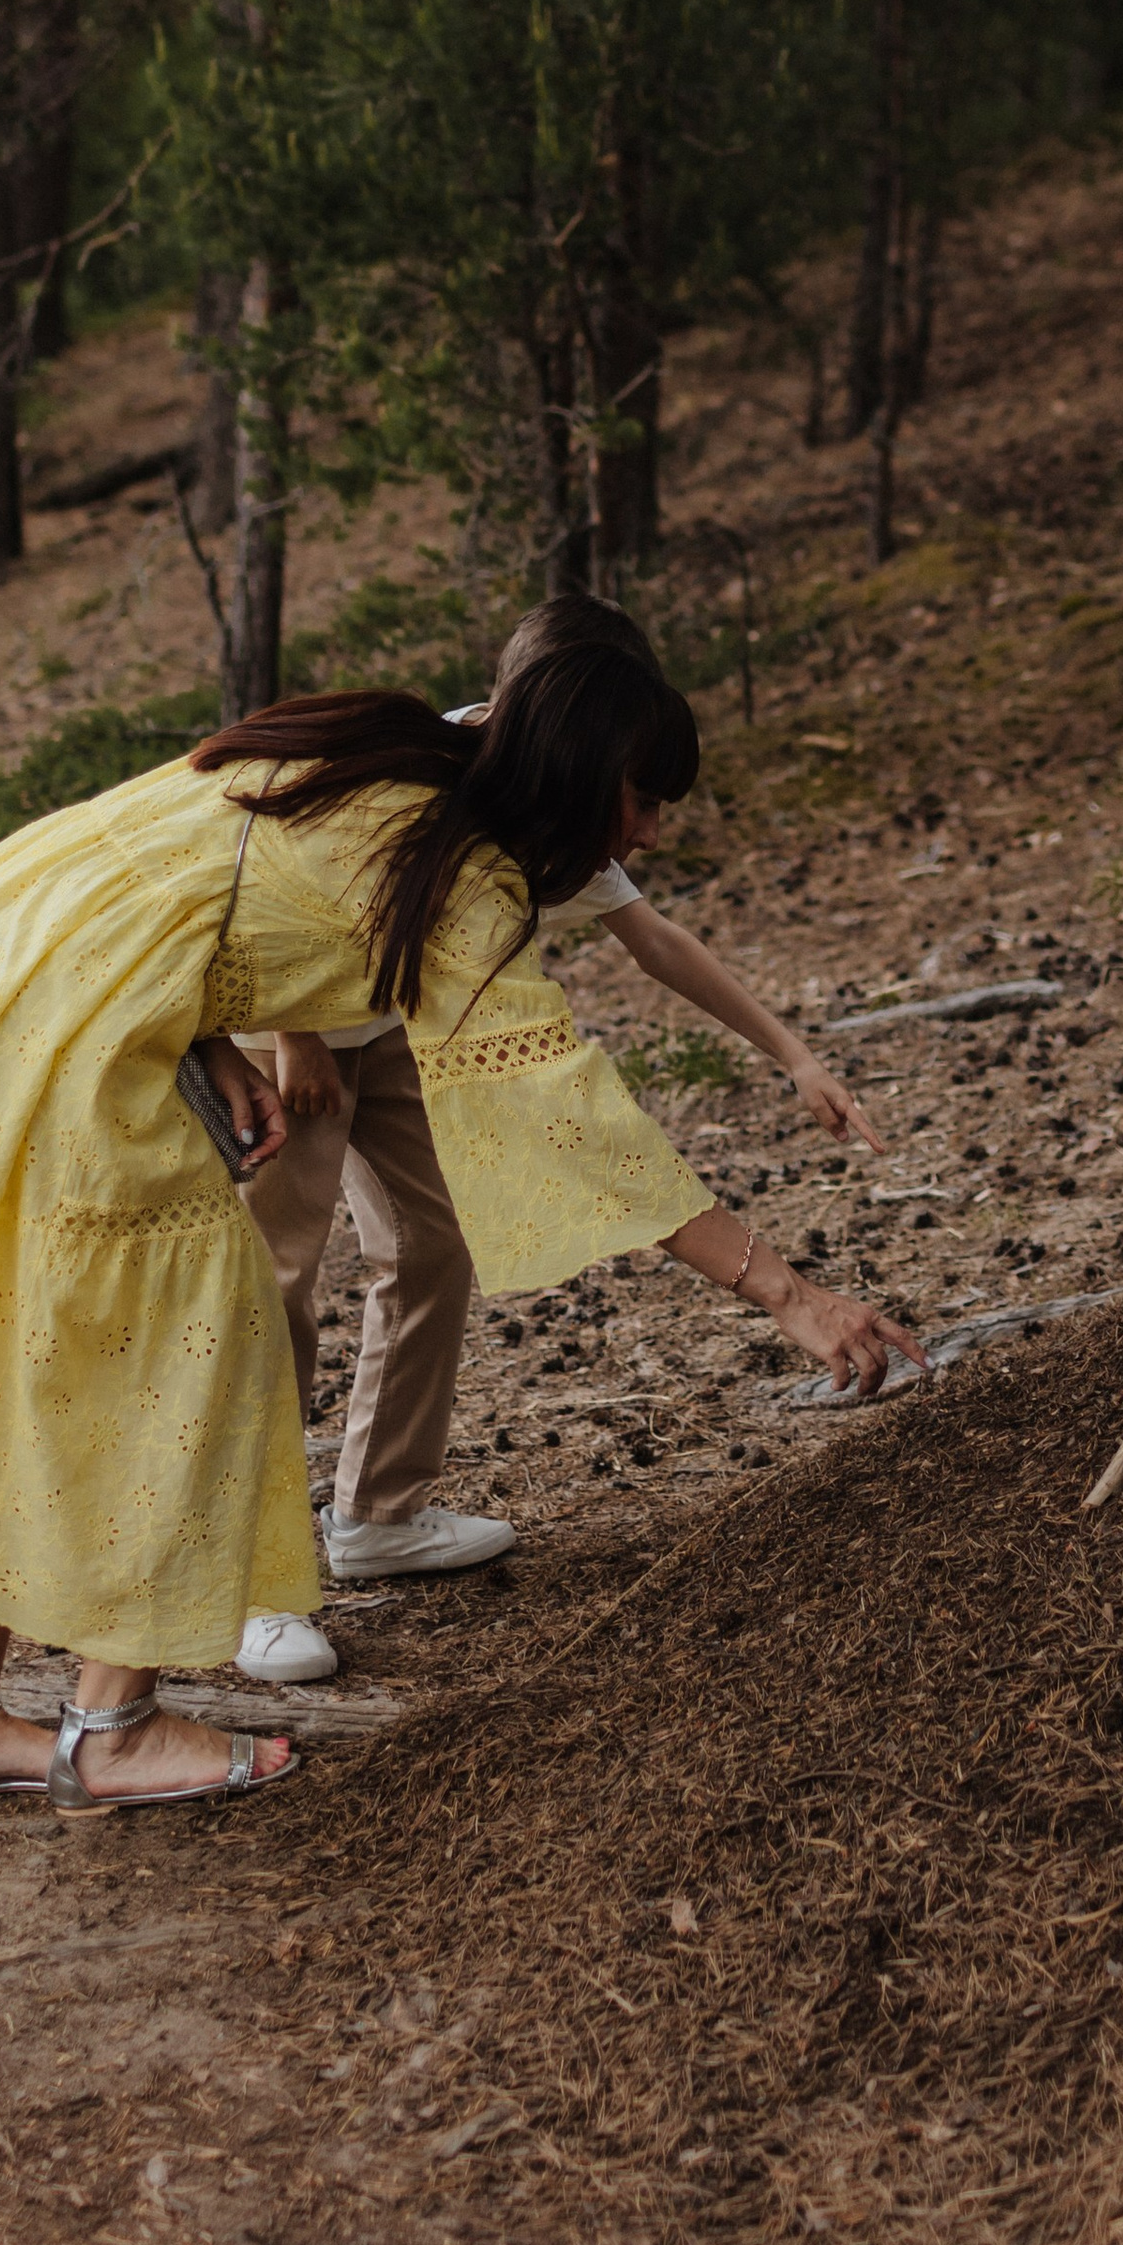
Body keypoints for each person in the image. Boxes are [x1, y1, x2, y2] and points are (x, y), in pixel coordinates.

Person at [0, 628, 922, 1816]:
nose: (651, 831)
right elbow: (572, 1124)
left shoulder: (385, 753)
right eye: (643, 800)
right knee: (189, 1345)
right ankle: (111, 1730)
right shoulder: (458, 883)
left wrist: (209, 1034)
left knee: (34, 1343)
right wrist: (791, 1297)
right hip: (57, 1016)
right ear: (574, 772)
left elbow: (181, 868)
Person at [237, 592, 889, 1684]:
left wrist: (794, 1053)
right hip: (281, 1016)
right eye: (639, 797)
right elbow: (257, 871)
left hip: (396, 1013)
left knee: (431, 1242)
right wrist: (290, 1027)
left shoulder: (551, 812)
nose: (647, 828)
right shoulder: (412, 785)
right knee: (275, 1281)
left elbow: (654, 940)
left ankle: (377, 1515)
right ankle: (249, 1577)